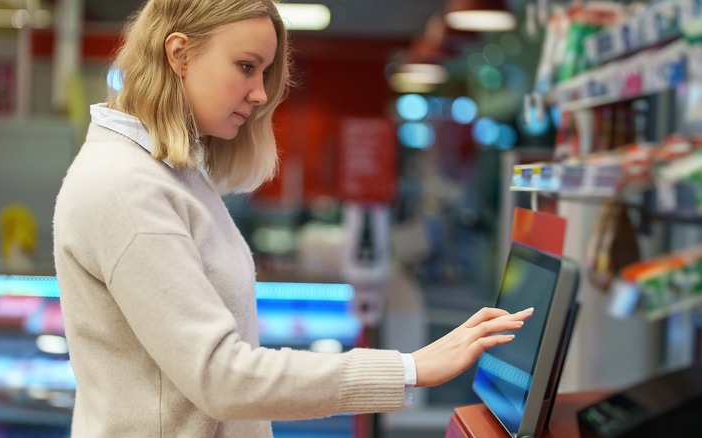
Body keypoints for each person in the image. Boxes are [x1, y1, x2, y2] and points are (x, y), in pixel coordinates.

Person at [52, 0, 534, 436]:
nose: (260, 94)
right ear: (179, 54)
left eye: (264, 73)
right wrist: (409, 369)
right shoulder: (127, 187)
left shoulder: (169, 174)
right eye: (246, 67)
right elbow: (222, 377)